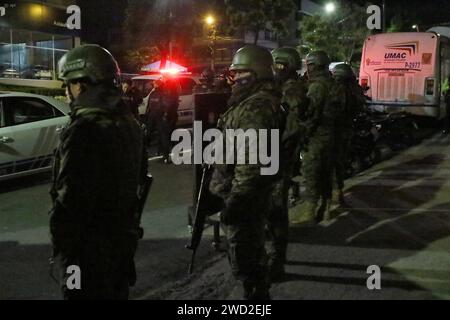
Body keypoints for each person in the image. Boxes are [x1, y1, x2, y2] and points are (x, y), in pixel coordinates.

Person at [50, 44, 147, 300]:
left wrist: (62, 247)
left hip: (87, 254)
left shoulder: (84, 129)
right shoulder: (129, 124)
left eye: (67, 85)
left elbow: (71, 201)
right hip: (121, 245)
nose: (66, 93)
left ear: (81, 85)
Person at [208, 45, 281, 300]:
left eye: (237, 74)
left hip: (246, 198)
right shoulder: (254, 102)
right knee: (252, 254)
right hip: (248, 194)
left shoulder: (255, 108)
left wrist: (237, 203)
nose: (232, 80)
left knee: (246, 260)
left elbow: (252, 163)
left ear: (253, 74)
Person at [268, 47, 308, 280]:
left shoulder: (291, 89)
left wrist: (277, 151)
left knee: (275, 210)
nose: (274, 69)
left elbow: (292, 128)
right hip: (275, 156)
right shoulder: (281, 87)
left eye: (277, 65)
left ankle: (277, 261)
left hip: (278, 157)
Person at [290, 50, 344, 225]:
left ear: (314, 65)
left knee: (311, 172)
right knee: (327, 172)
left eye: (309, 65)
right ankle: (326, 207)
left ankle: (309, 210)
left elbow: (312, 114)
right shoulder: (334, 83)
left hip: (318, 136)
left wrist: (302, 135)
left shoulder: (317, 86)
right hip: (333, 135)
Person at [330, 63, 365, 209]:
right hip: (347, 129)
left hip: (334, 130)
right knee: (340, 162)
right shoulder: (355, 90)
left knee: (331, 163)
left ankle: (334, 193)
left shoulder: (338, 89)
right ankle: (337, 191)